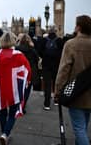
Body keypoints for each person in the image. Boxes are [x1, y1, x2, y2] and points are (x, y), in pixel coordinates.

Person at [54, 15, 91, 145]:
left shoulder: (71, 44)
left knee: (79, 129)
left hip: (77, 94)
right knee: (83, 127)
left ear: (79, 27)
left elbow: (63, 70)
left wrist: (58, 91)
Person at [16, 33, 40, 113]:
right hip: (29, 72)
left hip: (19, 71)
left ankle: (17, 105)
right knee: (27, 90)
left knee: (19, 89)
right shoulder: (32, 50)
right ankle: (23, 106)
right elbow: (37, 59)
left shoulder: (17, 49)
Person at [41, 26, 63, 110]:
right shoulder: (60, 41)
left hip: (46, 65)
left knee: (47, 85)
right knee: (56, 83)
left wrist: (45, 56)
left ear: (48, 32)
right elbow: (62, 52)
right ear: (56, 31)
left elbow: (40, 51)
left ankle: (47, 104)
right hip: (57, 65)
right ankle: (56, 100)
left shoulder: (44, 40)